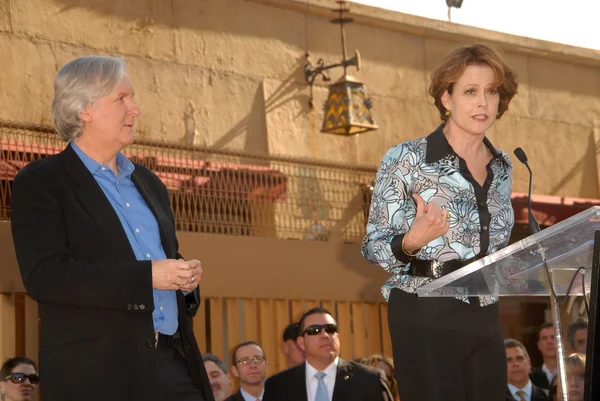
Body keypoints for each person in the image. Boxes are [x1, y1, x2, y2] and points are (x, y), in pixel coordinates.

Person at [10, 56, 214, 401]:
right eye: (122, 98)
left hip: (174, 365)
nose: (135, 110)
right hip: (100, 376)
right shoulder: (41, 182)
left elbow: (158, 259)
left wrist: (183, 277)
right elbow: (46, 276)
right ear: (84, 109)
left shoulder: (150, 183)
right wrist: (148, 276)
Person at [362, 43, 518, 401]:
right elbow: (372, 245)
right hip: (424, 308)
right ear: (446, 99)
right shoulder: (407, 158)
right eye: (470, 91)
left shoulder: (504, 166)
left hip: (485, 312)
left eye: (491, 91)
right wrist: (411, 242)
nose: (483, 103)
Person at [263, 307, 393, 401]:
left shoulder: (369, 380)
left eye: (330, 329)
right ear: (301, 343)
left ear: (338, 337)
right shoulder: (278, 385)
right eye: (315, 330)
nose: (325, 335)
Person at [530, 323, 557, 390]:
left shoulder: (572, 374)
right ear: (539, 345)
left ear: (562, 342)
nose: (549, 342)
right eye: (544, 338)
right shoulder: (531, 378)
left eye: (553, 337)